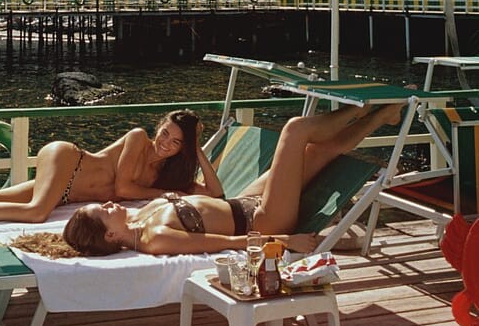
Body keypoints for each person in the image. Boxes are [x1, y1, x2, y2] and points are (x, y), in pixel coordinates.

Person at [61, 100, 405, 258]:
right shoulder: (155, 239)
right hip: (264, 219)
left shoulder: (138, 217)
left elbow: (216, 195)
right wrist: (286, 240)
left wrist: (195, 148)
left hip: (243, 202)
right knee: (294, 131)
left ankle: (383, 116)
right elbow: (225, 243)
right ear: (110, 234)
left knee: (318, 152)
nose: (110, 203)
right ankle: (359, 107)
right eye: (104, 210)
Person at [0, 109, 222, 254]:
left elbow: (216, 195)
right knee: (37, 212)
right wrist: (168, 191)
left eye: (175, 141)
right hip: (68, 160)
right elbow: (124, 190)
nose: (164, 142)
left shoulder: (171, 176)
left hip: (67, 192)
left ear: (183, 148)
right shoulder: (138, 138)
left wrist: (198, 151)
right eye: (165, 133)